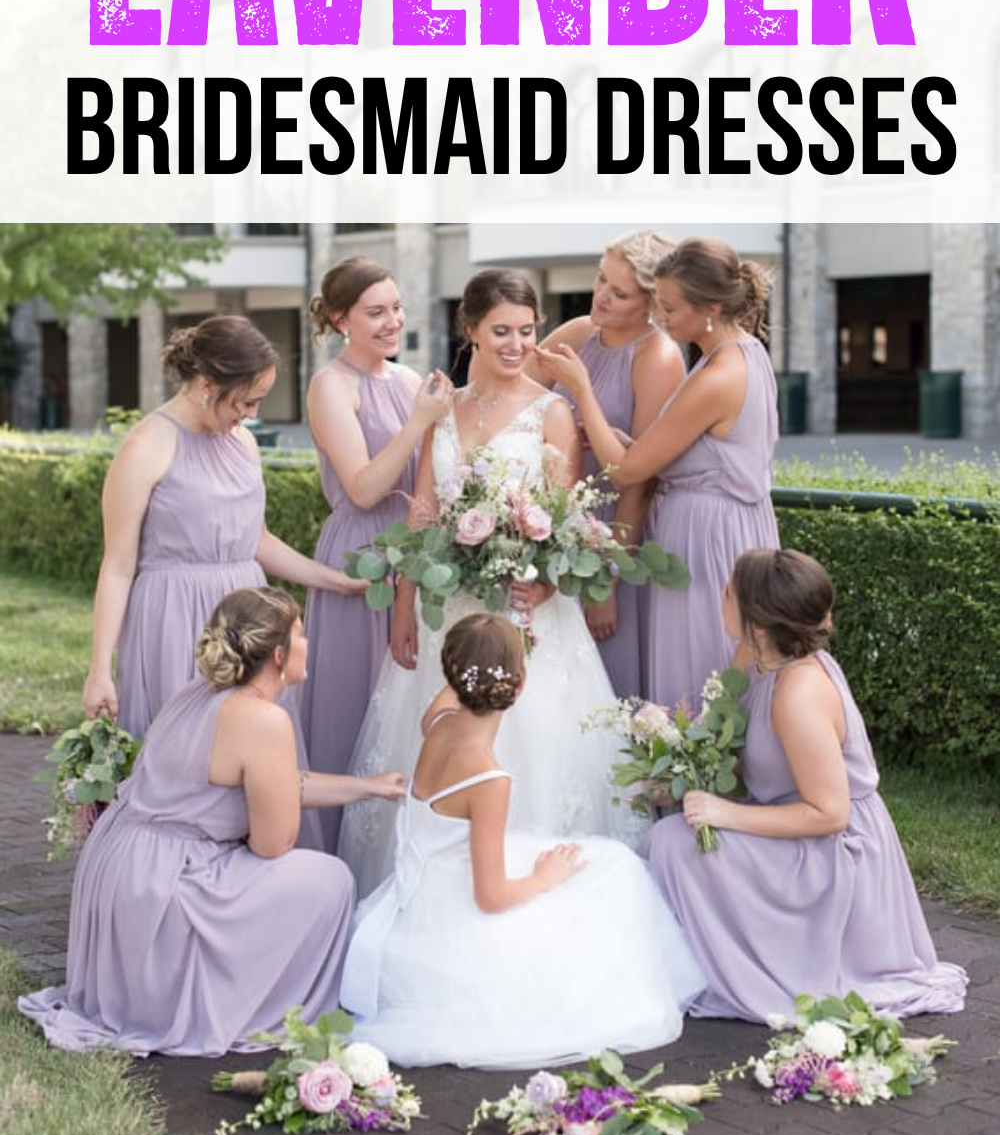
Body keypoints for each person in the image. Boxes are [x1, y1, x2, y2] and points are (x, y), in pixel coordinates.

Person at [338, 269, 648, 899]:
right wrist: (404, 603)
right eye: (500, 330)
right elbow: (422, 510)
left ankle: (534, 894)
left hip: (528, 616)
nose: (515, 343)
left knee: (538, 751)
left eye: (526, 330)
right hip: (447, 613)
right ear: (470, 330)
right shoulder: (442, 409)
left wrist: (551, 586)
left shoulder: (552, 412)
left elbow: (567, 519)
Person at [20, 588, 406, 1057]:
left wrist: (368, 787)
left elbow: (277, 781)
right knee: (330, 880)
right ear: (279, 654)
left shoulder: (198, 693)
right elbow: (272, 844)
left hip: (121, 869)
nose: (310, 642)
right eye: (302, 633)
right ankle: (252, 1004)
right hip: (167, 888)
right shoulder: (265, 718)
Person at [341, 613, 705, 1068]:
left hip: (428, 877)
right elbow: (492, 895)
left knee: (609, 860)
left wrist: (481, 656)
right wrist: (543, 876)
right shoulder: (489, 777)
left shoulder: (438, 721)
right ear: (519, 683)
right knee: (611, 874)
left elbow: (457, 688)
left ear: (451, 674)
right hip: (455, 902)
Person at [645, 550, 968, 1023]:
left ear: (758, 625)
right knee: (673, 831)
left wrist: (726, 813)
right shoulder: (759, 660)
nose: (721, 595)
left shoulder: (798, 695)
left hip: (835, 855)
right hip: (804, 835)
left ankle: (745, 970)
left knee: (673, 843)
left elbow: (829, 813)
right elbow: (762, 763)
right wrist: (682, 776)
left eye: (730, 591)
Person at [82, 315, 363, 743]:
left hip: (247, 619)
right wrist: (100, 669)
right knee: (188, 752)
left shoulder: (243, 443)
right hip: (176, 622)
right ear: (208, 384)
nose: (252, 414)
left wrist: (335, 582)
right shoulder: (145, 447)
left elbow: (256, 540)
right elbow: (117, 567)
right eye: (246, 402)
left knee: (256, 752)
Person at [538, 236, 780, 712]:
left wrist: (582, 391)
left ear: (709, 308)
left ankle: (696, 777)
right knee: (708, 672)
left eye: (669, 307)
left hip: (707, 539)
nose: (663, 319)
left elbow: (629, 473)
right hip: (718, 524)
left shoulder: (717, 375)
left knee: (701, 677)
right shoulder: (738, 353)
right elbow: (676, 451)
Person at [299, 258, 452, 851]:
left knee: (404, 705)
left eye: (396, 307)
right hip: (360, 556)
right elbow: (363, 488)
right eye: (376, 312)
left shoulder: (410, 378)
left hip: (414, 553)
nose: (393, 321)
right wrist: (419, 422)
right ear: (341, 319)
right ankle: (332, 852)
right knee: (350, 704)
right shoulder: (329, 386)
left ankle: (391, 852)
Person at [529, 230, 685, 697]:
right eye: (600, 280)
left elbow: (641, 480)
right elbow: (514, 394)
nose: (601, 297)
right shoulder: (578, 332)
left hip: (613, 529)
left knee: (606, 677)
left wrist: (607, 580)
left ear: (653, 303)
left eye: (619, 293)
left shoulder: (657, 357)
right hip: (553, 521)